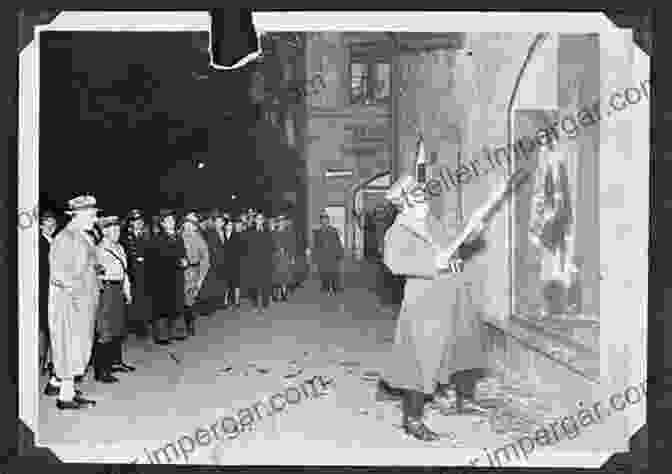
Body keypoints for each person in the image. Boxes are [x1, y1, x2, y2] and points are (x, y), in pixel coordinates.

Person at [380, 173, 491, 441]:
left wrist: (473, 229)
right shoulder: (399, 230)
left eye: (423, 194)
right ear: (405, 203)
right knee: (421, 358)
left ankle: (465, 399)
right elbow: (394, 263)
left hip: (454, 291)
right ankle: (412, 419)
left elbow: (456, 241)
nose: (424, 200)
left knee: (465, 344)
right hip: (425, 299)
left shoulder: (431, 221)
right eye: (418, 196)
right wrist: (432, 264)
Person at [43, 195, 100, 409]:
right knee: (70, 346)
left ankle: (64, 387)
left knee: (75, 346)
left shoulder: (81, 236)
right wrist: (78, 294)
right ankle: (65, 398)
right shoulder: (66, 238)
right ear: (79, 215)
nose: (95, 219)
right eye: (92, 215)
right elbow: (59, 274)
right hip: (70, 303)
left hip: (80, 301)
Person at [93, 216, 133, 384]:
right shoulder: (99, 249)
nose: (117, 233)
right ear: (104, 232)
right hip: (106, 289)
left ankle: (116, 362)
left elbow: (125, 273)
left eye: (118, 230)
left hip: (118, 288)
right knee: (105, 328)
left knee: (117, 325)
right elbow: (96, 274)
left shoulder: (120, 247)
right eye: (113, 230)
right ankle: (102, 370)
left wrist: (127, 291)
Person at [150, 209, 188, 345]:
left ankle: (179, 332)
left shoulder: (178, 237)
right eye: (169, 221)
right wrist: (178, 261)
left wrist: (185, 260)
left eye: (173, 220)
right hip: (163, 278)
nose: (172, 222)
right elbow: (159, 259)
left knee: (177, 303)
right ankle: (162, 336)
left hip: (177, 276)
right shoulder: (157, 239)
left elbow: (183, 253)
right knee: (162, 306)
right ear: (162, 224)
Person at [122, 209, 153, 339]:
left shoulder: (147, 235)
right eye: (135, 221)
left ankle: (143, 324)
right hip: (132, 272)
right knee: (133, 300)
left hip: (146, 271)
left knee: (145, 299)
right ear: (130, 223)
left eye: (140, 221)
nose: (139, 223)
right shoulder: (125, 237)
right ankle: (136, 326)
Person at [180, 211, 210, 337]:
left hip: (193, 272)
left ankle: (189, 324)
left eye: (192, 224)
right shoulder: (178, 236)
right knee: (179, 299)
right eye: (187, 223)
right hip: (179, 271)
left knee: (189, 300)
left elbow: (206, 259)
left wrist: (201, 277)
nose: (189, 226)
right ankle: (180, 325)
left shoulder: (199, 239)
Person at [241, 213, 274, 313]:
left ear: (263, 220)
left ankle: (265, 304)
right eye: (257, 219)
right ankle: (254, 304)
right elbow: (246, 247)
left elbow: (272, 246)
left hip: (265, 262)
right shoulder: (250, 231)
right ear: (255, 220)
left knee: (265, 284)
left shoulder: (267, 231)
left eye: (261, 219)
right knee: (253, 285)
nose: (259, 220)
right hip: (253, 262)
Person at [39, 209, 58, 376]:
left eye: (53, 224)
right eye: (47, 224)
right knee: (44, 328)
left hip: (56, 290)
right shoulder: (38, 244)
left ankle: (52, 361)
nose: (51, 227)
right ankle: (42, 361)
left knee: (54, 327)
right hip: (44, 289)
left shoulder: (56, 241)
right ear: (40, 225)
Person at [312, 210, 344, 295]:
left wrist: (340, 254)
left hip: (332, 256)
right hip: (322, 257)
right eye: (322, 218)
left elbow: (338, 243)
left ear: (328, 220)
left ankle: (335, 288)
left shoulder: (333, 230)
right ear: (320, 220)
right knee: (323, 273)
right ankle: (325, 287)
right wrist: (315, 257)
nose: (324, 220)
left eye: (325, 218)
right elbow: (316, 246)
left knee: (334, 273)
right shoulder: (317, 232)